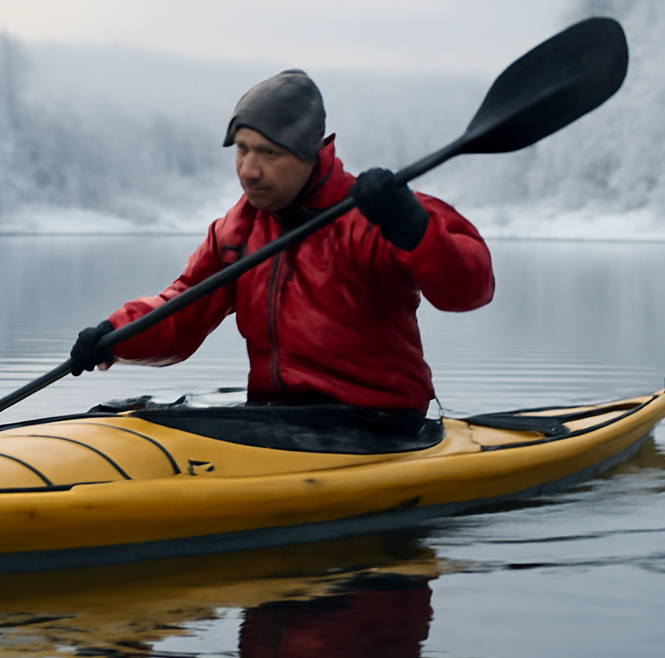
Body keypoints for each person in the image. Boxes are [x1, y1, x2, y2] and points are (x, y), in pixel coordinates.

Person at [68, 69, 493, 416]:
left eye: (269, 153)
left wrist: (412, 226)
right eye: (242, 149)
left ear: (310, 154)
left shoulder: (376, 215)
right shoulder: (237, 231)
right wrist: (116, 337)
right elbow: (182, 311)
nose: (248, 170)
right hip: (278, 417)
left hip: (380, 422)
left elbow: (470, 289)